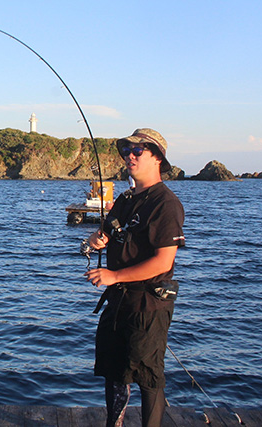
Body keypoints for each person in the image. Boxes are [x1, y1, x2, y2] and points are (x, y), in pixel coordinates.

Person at [83, 128, 185, 427]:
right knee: (115, 370)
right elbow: (105, 233)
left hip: (148, 306)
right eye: (126, 149)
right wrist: (95, 239)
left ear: (157, 158)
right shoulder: (125, 200)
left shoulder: (166, 205)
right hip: (118, 302)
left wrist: (114, 275)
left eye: (138, 150)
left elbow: (162, 261)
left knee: (148, 375)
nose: (129, 155)